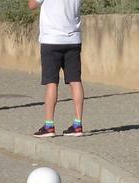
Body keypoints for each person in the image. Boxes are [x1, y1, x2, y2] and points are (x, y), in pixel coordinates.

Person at [28, 0, 84, 137]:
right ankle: (78, 125)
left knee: (51, 82)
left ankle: (49, 126)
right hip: (73, 39)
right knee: (75, 81)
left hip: (51, 40)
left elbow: (32, 5)